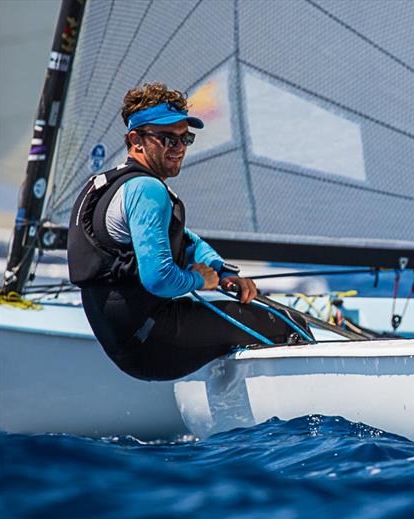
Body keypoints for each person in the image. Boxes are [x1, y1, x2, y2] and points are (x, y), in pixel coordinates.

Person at [68, 82, 306, 381]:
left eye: (185, 138)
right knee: (288, 324)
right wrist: (201, 279)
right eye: (168, 139)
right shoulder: (147, 190)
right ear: (136, 140)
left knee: (238, 322)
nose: (179, 148)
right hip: (151, 340)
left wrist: (222, 270)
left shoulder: (108, 183)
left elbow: (186, 240)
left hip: (129, 341)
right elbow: (159, 278)